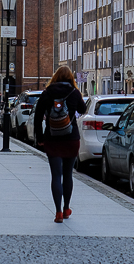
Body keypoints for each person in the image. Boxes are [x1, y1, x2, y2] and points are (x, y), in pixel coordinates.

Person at [33, 65, 86, 224]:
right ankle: (67, 208)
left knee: (56, 175)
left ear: (55, 77)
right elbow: (83, 110)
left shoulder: (47, 93)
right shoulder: (74, 93)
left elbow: (37, 116)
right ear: (71, 78)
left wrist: (40, 137)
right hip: (71, 139)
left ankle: (57, 212)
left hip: (52, 138)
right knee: (68, 174)